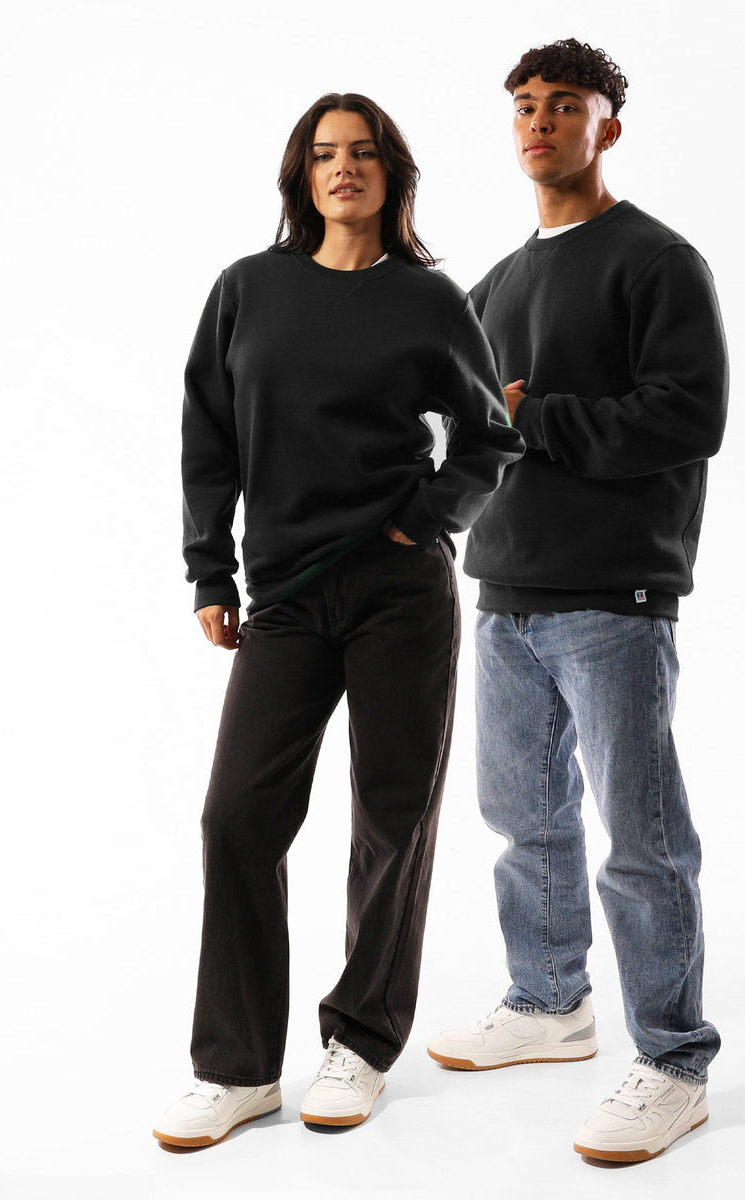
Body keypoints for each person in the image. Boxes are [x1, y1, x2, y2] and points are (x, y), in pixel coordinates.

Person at [153, 92, 523, 1148]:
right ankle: (234, 1069)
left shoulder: (427, 299)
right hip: (284, 596)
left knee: (391, 818)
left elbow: (489, 438)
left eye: (361, 152)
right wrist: (209, 571)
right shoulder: (247, 290)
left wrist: (423, 521)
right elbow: (207, 437)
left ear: (390, 173)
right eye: (324, 154)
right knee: (237, 818)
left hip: (398, 590)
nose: (343, 168)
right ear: (301, 176)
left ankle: (359, 1044)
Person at [426, 39, 728, 1164]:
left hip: (613, 592)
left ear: (608, 125)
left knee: (640, 842)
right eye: (523, 105)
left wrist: (534, 417)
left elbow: (688, 416)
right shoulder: (492, 285)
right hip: (503, 589)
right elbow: (461, 432)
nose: (539, 121)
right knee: (524, 819)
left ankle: (674, 1062)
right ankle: (549, 1002)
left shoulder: (656, 260)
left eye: (564, 104)